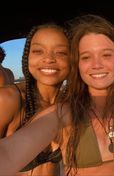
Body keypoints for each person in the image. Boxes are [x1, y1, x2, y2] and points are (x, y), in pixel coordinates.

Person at [0, 14, 114, 176]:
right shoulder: (62, 113)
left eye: (106, 55)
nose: (96, 64)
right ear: (77, 64)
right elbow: (8, 153)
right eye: (86, 57)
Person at [0, 23, 70, 175]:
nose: (49, 59)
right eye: (38, 51)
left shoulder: (69, 105)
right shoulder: (8, 99)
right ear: (27, 56)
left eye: (61, 52)